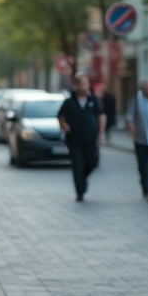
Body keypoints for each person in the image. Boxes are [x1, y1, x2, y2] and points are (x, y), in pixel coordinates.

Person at [58, 73, 105, 202]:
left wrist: (100, 135)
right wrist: (63, 125)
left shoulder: (94, 100)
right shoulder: (69, 102)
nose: (83, 87)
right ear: (75, 86)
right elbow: (60, 116)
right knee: (77, 165)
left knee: (92, 163)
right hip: (74, 140)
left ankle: (82, 180)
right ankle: (80, 192)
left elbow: (101, 117)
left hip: (91, 139)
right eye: (80, 84)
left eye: (85, 83)